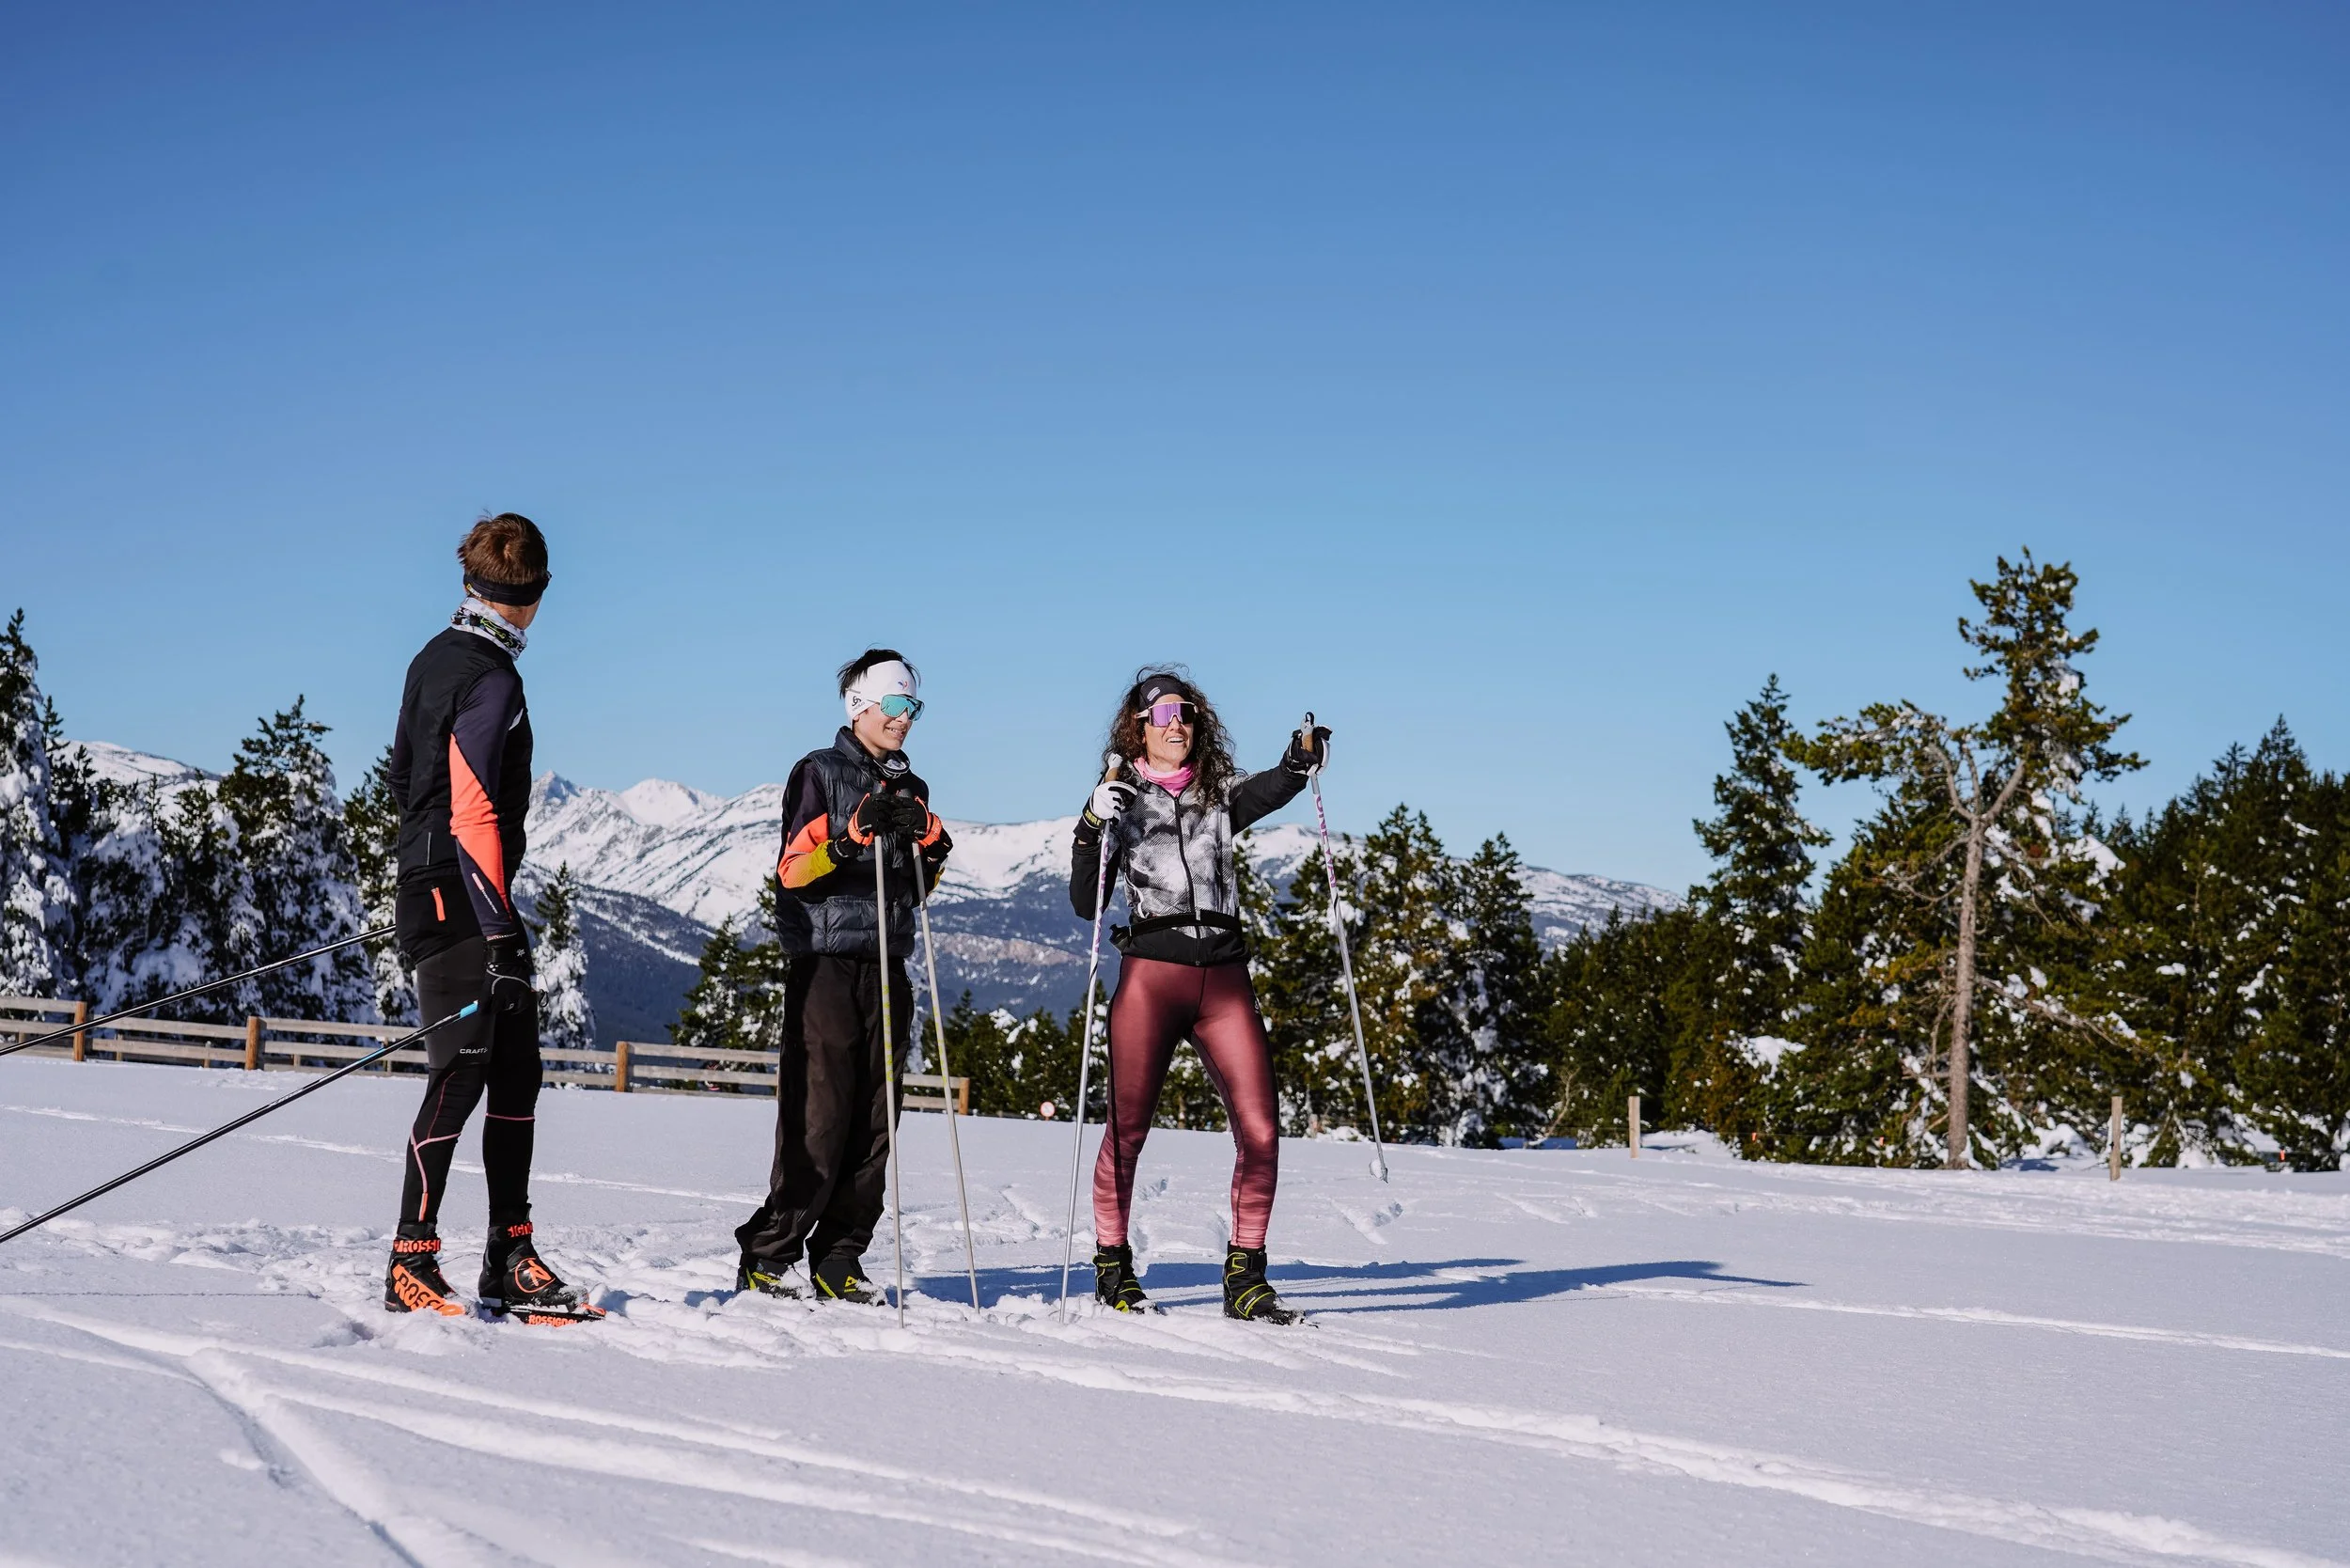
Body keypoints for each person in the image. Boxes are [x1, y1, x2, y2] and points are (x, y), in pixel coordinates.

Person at [382, 513, 603, 1323]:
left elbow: (403, 776)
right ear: (536, 596)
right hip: (466, 895)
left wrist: (426, 870)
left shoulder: (431, 659)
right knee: (462, 1073)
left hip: (441, 886)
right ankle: (413, 1257)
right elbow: (473, 805)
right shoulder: (496, 678)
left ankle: (510, 1253)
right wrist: (496, 924)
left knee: (516, 1074)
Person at [1070, 669, 1329, 1324]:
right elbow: (1085, 902)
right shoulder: (1118, 796)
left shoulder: (1218, 795)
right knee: (1127, 1131)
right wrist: (1090, 820)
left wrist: (1298, 762)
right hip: (1152, 978)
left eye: (1184, 713)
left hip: (1225, 977)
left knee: (1263, 1131)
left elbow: (1272, 787)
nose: (1175, 723)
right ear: (1138, 727)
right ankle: (1112, 1266)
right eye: (1161, 715)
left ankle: (1246, 1278)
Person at [734, 649, 952, 1303]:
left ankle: (839, 1258)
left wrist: (932, 842)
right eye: (895, 704)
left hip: (888, 964)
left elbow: (918, 889)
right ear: (860, 705)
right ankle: (768, 1254)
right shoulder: (819, 773)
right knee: (819, 1118)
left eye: (913, 706)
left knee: (874, 1124)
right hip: (825, 964)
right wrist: (851, 836)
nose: (905, 718)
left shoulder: (912, 787)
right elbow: (792, 871)